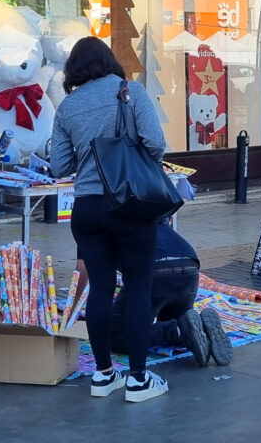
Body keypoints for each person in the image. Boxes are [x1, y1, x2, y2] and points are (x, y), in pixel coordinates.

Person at [51, 36, 168, 403]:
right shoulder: (129, 92)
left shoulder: (67, 107)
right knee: (138, 287)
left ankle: (103, 375)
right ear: (108, 61)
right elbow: (155, 141)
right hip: (129, 204)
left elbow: (59, 166)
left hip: (86, 208)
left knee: (100, 289)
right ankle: (138, 380)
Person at [106, 223, 233, 367]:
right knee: (180, 321)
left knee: (118, 335)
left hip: (153, 273)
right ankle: (198, 329)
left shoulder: (101, 225)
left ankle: (177, 330)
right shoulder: (148, 213)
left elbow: (100, 283)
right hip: (189, 266)